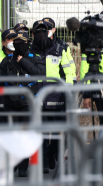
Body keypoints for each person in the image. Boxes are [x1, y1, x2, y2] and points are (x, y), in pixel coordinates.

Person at [0, 32, 45, 177]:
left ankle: (23, 166)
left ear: (28, 43)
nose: (19, 45)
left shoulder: (35, 58)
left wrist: (23, 61)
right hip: (10, 103)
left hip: (28, 104)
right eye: (16, 42)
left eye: (22, 42)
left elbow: (40, 73)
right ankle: (12, 165)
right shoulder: (7, 60)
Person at [29, 19, 74, 172]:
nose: (43, 33)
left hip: (56, 97)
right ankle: (42, 163)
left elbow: (69, 71)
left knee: (57, 131)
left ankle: (51, 151)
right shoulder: (29, 50)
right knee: (39, 132)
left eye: (45, 30)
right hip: (37, 97)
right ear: (34, 34)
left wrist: (68, 90)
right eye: (39, 31)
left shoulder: (58, 49)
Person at [41, 17, 76, 83]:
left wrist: (72, 82)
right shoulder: (37, 45)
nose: (47, 30)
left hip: (60, 84)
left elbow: (70, 66)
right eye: (44, 28)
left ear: (54, 30)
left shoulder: (63, 46)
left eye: (49, 28)